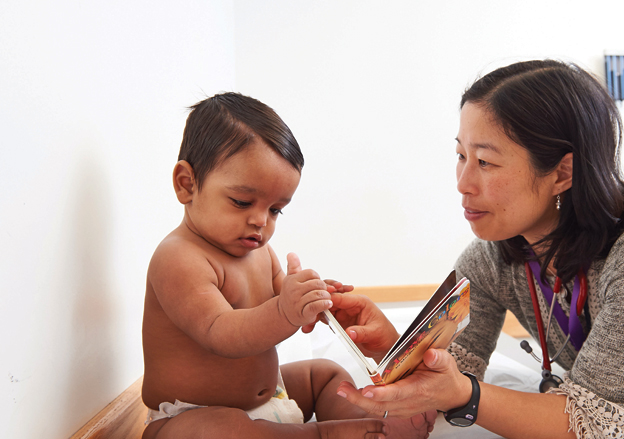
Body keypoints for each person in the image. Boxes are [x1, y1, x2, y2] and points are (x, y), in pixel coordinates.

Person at [329, 60, 624, 439]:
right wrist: (398, 346)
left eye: (485, 161)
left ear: (562, 173)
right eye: (461, 155)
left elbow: (594, 421)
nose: (463, 183)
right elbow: (454, 368)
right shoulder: (491, 257)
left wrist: (463, 394)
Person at [141, 92, 435, 439]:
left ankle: (372, 423)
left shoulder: (259, 252)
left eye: (276, 209)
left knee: (323, 373)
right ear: (187, 184)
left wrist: (312, 300)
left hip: (273, 395)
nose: (260, 221)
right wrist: (285, 311)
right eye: (242, 201)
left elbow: (283, 298)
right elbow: (220, 332)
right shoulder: (179, 258)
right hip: (191, 416)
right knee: (223, 431)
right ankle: (327, 434)